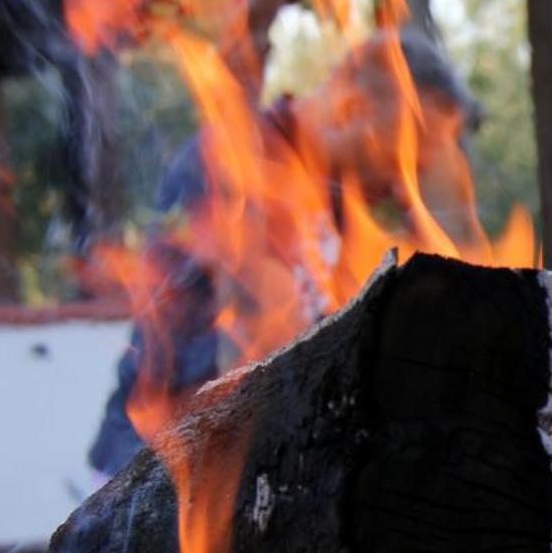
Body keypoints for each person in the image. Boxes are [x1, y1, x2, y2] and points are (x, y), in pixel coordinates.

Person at [87, 26, 482, 478]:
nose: (405, 184)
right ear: (355, 106)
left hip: (254, 479)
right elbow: (272, 354)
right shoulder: (239, 160)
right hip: (160, 485)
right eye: (409, 157)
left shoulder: (341, 203)